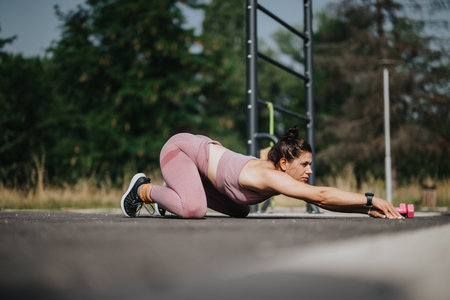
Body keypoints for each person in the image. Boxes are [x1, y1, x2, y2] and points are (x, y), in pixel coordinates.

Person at [121, 126, 403, 219]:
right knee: (193, 209)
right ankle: (142, 189)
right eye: (304, 164)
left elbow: (320, 200)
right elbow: (320, 195)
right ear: (283, 164)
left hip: (201, 166)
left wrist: (364, 210)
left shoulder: (274, 168)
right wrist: (369, 199)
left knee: (242, 211)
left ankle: (172, 196)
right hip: (180, 150)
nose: (310, 170)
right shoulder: (270, 175)